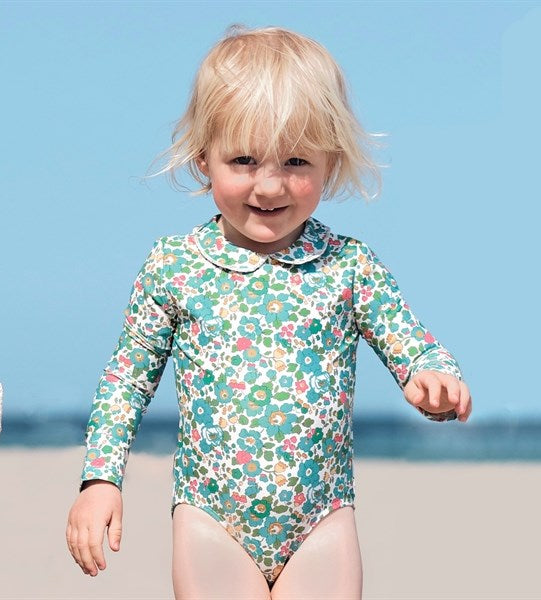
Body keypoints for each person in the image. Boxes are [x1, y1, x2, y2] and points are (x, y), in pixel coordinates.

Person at [66, 25, 472, 600]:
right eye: (244, 159)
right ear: (204, 159)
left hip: (322, 518)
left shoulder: (348, 266)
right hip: (211, 517)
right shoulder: (175, 266)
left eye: (296, 160)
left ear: (331, 161)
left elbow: (414, 346)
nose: (270, 185)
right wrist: (100, 479)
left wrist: (435, 380)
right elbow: (126, 380)